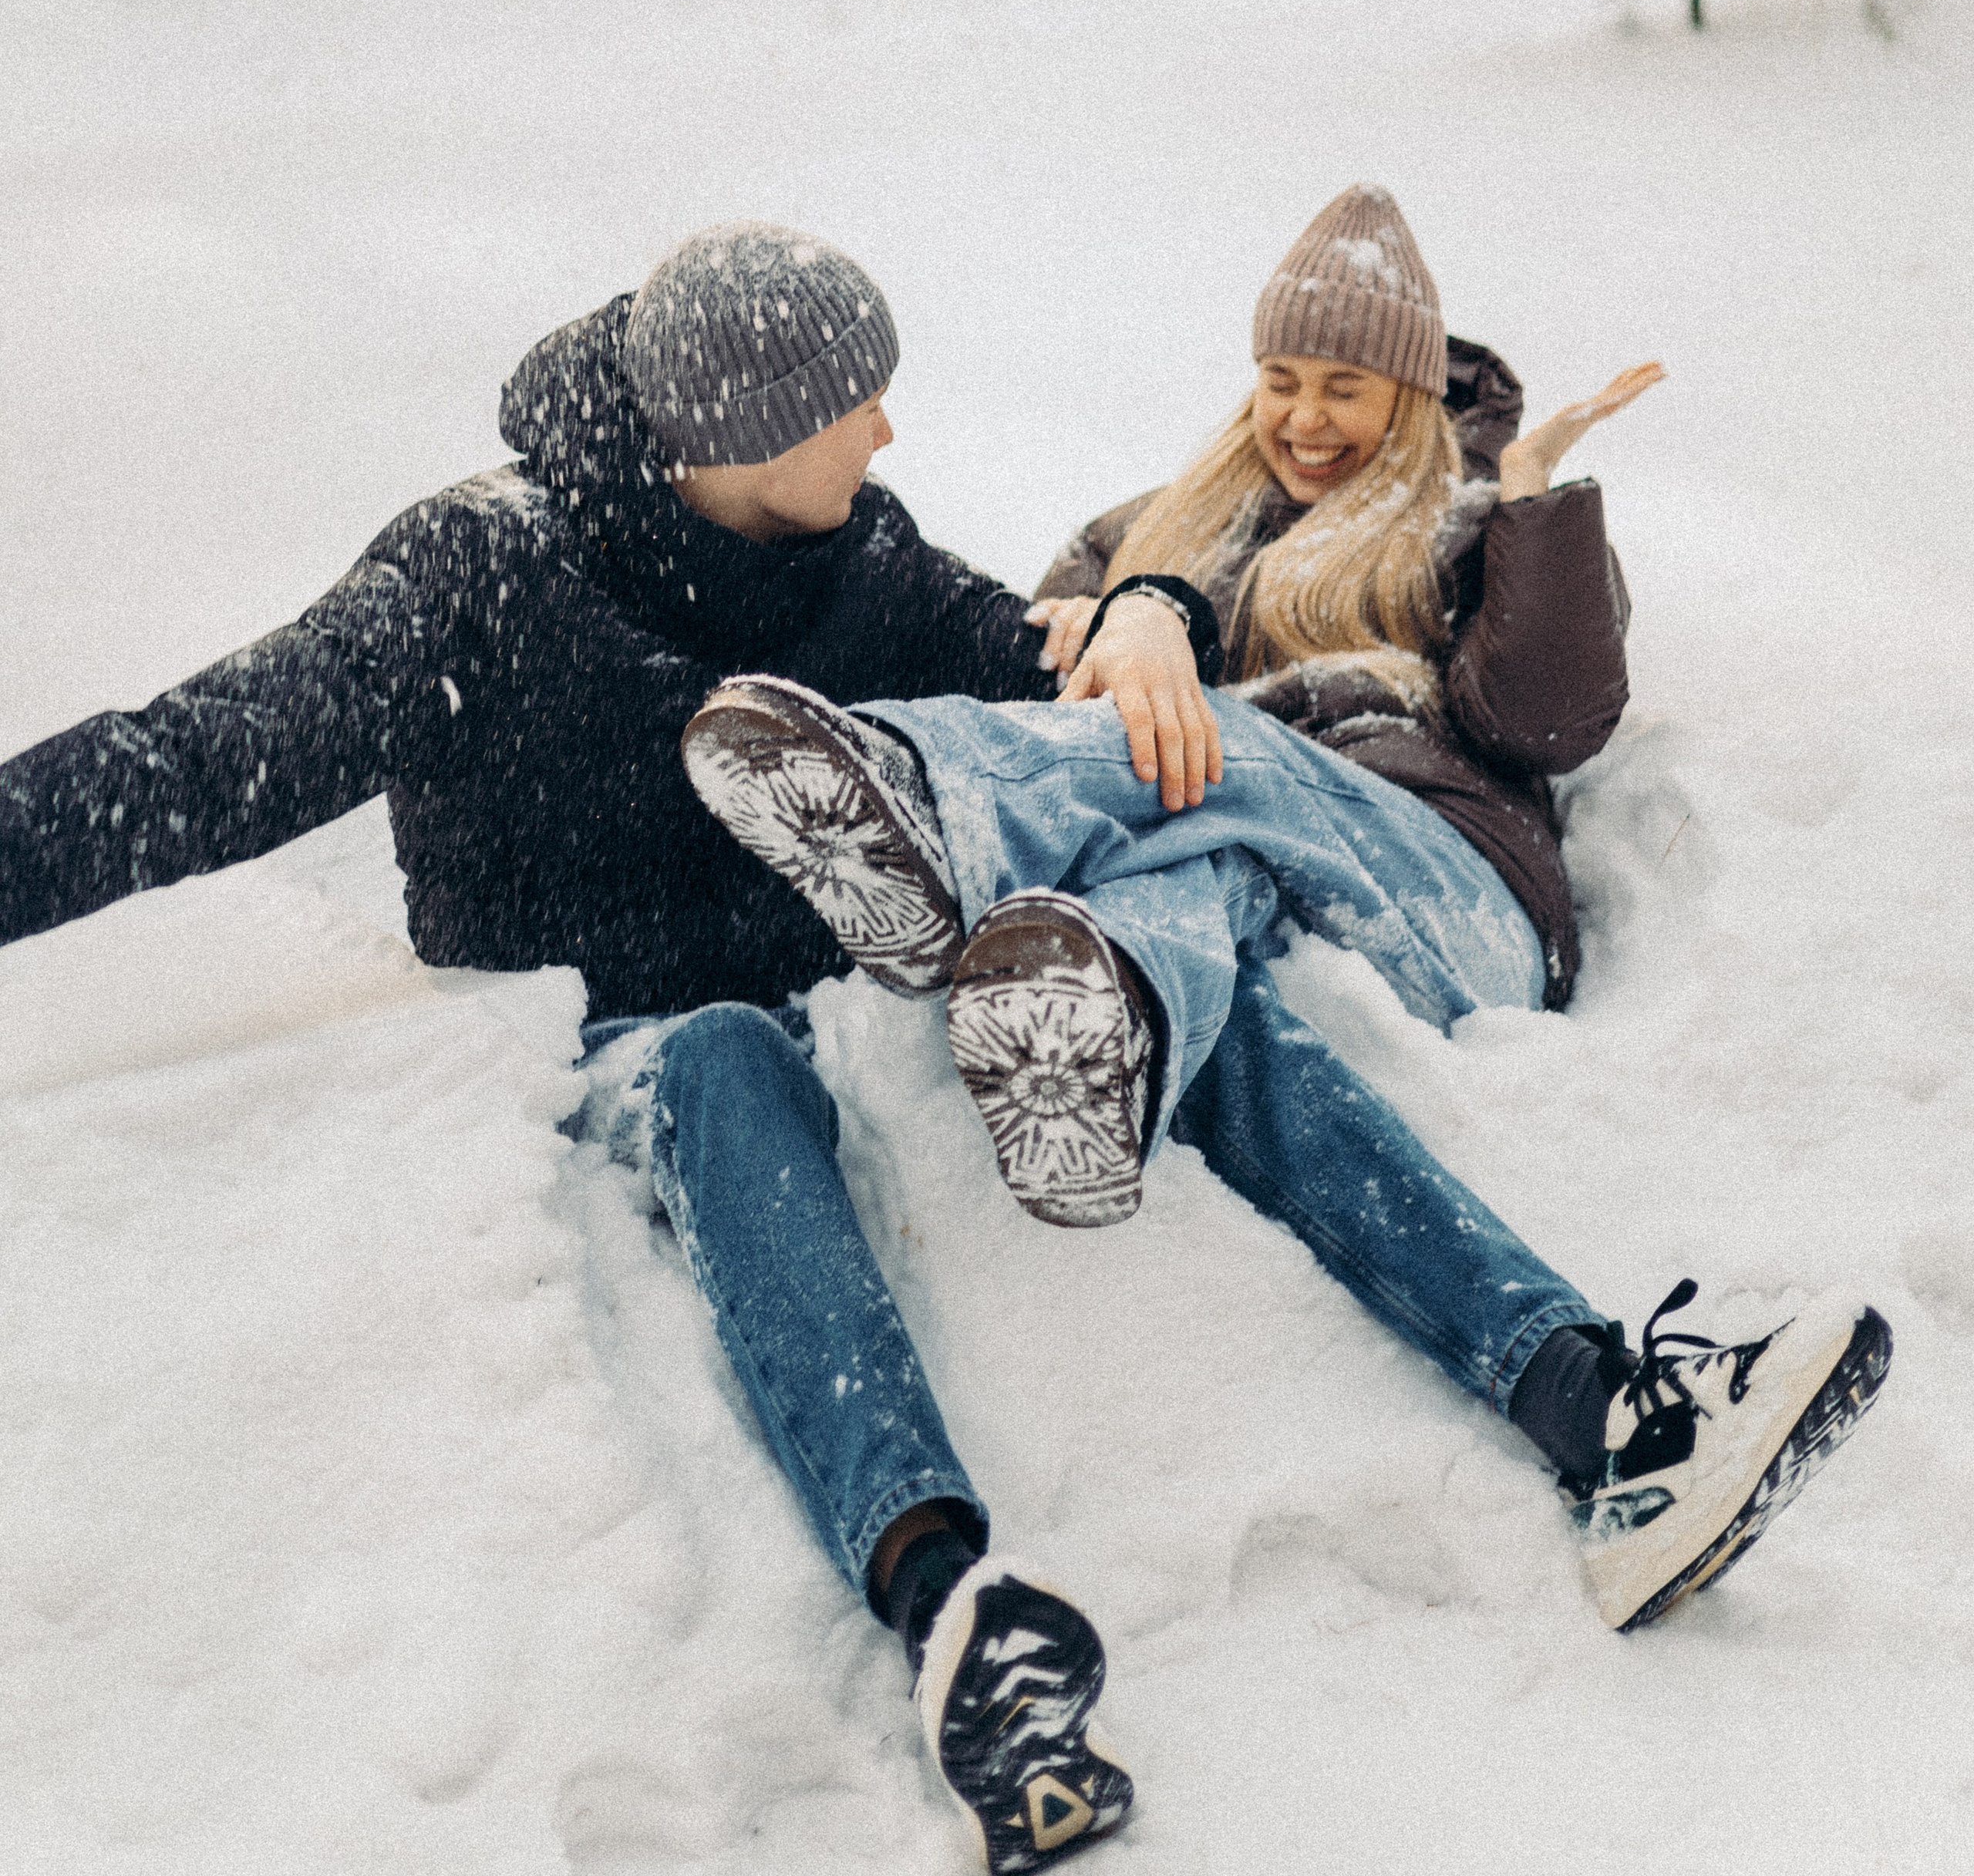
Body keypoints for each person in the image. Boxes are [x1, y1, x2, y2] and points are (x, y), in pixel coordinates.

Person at [0, 223, 1224, 1874]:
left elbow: (1030, 675)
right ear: (730, 435)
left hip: (818, 1014)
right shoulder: (476, 572)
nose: (885, 435)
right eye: (854, 403)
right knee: (721, 1058)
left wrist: (1141, 607)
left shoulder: (854, 551)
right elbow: (210, 754)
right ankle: (950, 1606)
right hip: (608, 1046)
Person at [679, 190, 1891, 1653]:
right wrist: (1104, 630)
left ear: (1410, 392)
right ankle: (1600, 1413)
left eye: (1348, 389)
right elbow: (1044, 674)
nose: (1309, 419)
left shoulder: (1465, 518)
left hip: (1449, 891)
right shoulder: (1152, 532)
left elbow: (1551, 716)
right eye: (1283, 382)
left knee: (1223, 743)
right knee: (1194, 927)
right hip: (1245, 884)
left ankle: (936, 800)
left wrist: (1535, 498)